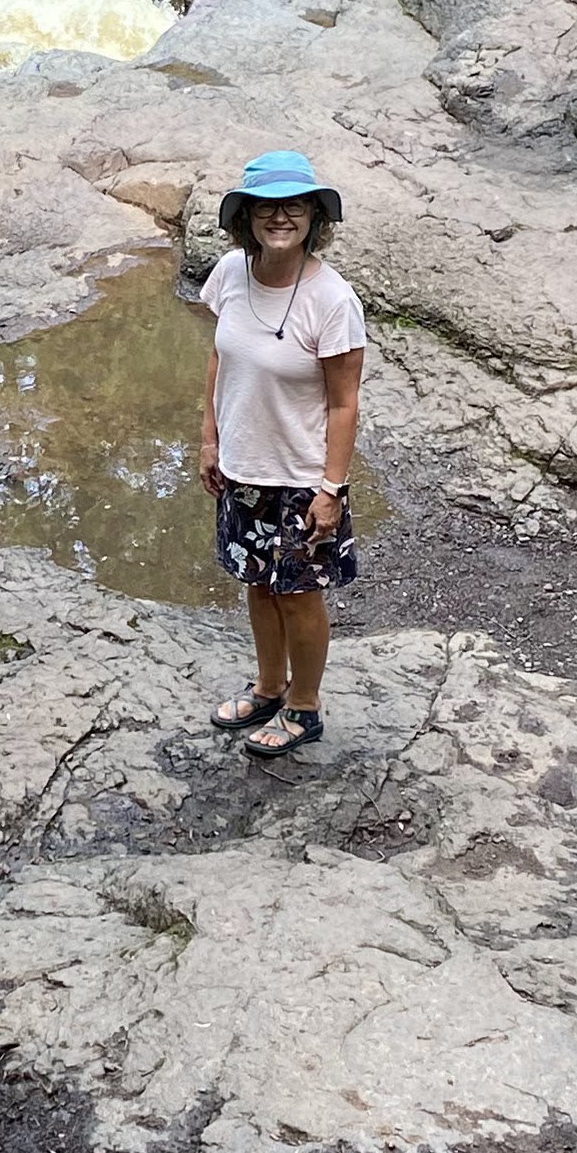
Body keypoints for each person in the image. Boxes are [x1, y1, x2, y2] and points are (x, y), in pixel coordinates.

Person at [196, 148, 364, 758]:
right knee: (258, 584)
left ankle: (304, 706)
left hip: (300, 476)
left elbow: (344, 404)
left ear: (315, 216)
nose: (280, 218)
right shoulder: (228, 274)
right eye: (266, 207)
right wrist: (211, 439)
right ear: (247, 217)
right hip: (241, 466)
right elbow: (220, 358)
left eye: (293, 206)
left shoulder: (333, 300)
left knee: (297, 593)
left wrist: (332, 489)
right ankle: (269, 686)